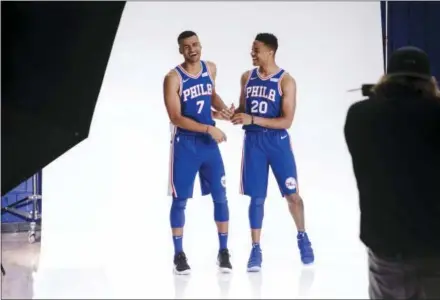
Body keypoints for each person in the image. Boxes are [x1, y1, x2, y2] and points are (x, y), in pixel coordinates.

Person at [344, 46, 440, 299]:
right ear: (429, 82)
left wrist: (380, 95)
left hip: (385, 243)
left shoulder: (359, 116)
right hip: (434, 247)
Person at [231, 33, 314, 272]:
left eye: (256, 50)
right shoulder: (247, 77)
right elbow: (244, 111)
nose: (252, 54)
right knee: (257, 198)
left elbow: (286, 121)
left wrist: (252, 118)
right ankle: (255, 249)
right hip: (253, 142)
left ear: (270, 51)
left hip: (277, 142)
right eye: (252, 49)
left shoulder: (286, 80)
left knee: (293, 196)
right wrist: (232, 113)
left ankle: (302, 236)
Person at [163, 30, 235, 275]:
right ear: (180, 50)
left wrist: (223, 111)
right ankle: (178, 255)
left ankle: (223, 251)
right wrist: (208, 127)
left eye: (195, 44)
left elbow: (211, 96)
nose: (192, 49)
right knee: (180, 200)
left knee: (221, 196)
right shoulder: (173, 78)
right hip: (186, 144)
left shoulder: (210, 68)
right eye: (186, 46)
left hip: (208, 145)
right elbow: (176, 117)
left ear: (200, 45)